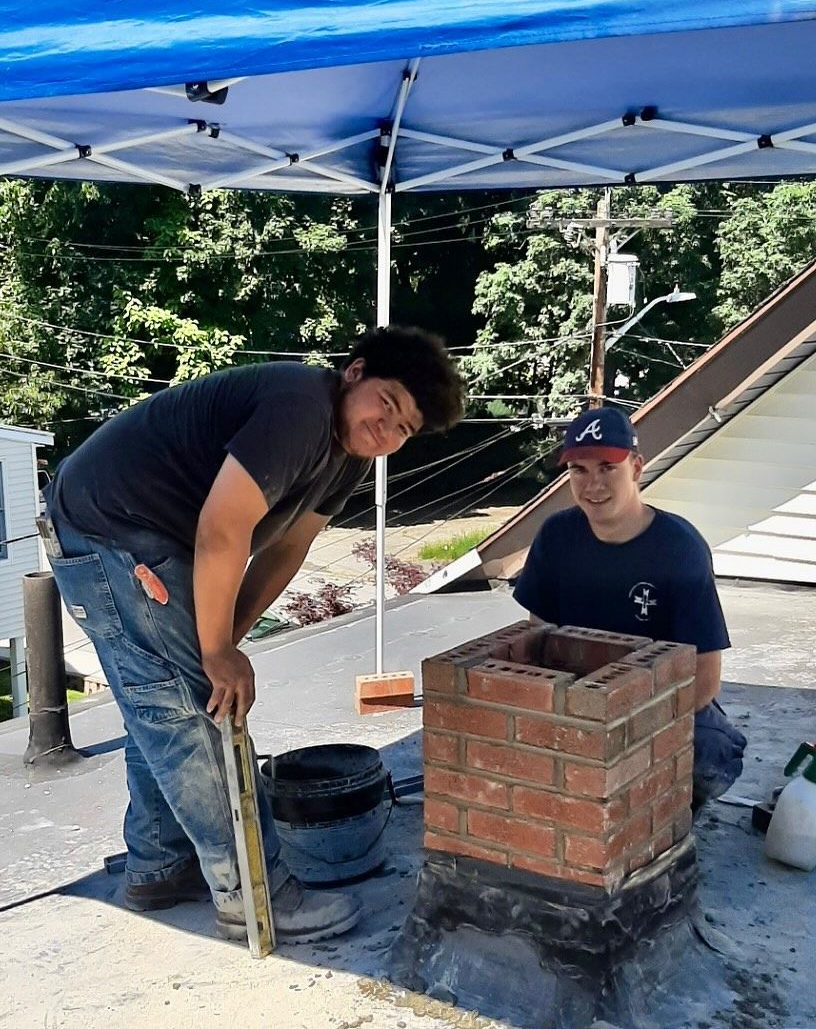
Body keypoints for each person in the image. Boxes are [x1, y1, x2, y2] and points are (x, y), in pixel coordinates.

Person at [43, 325, 465, 943]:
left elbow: (286, 550)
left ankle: (161, 866)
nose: (387, 430)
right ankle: (253, 895)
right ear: (354, 372)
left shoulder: (347, 458)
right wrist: (214, 651)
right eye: (387, 403)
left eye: (403, 429)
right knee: (189, 712)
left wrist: (227, 638)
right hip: (109, 527)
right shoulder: (299, 406)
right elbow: (224, 527)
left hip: (148, 536)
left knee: (183, 696)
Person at [513, 406, 746, 812]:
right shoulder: (556, 537)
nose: (593, 484)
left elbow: (705, 682)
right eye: (579, 471)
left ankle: (666, 807)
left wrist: (627, 730)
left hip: (657, 708)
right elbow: (538, 642)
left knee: (708, 757)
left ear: (636, 468)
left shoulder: (680, 549)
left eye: (607, 467)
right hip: (578, 702)